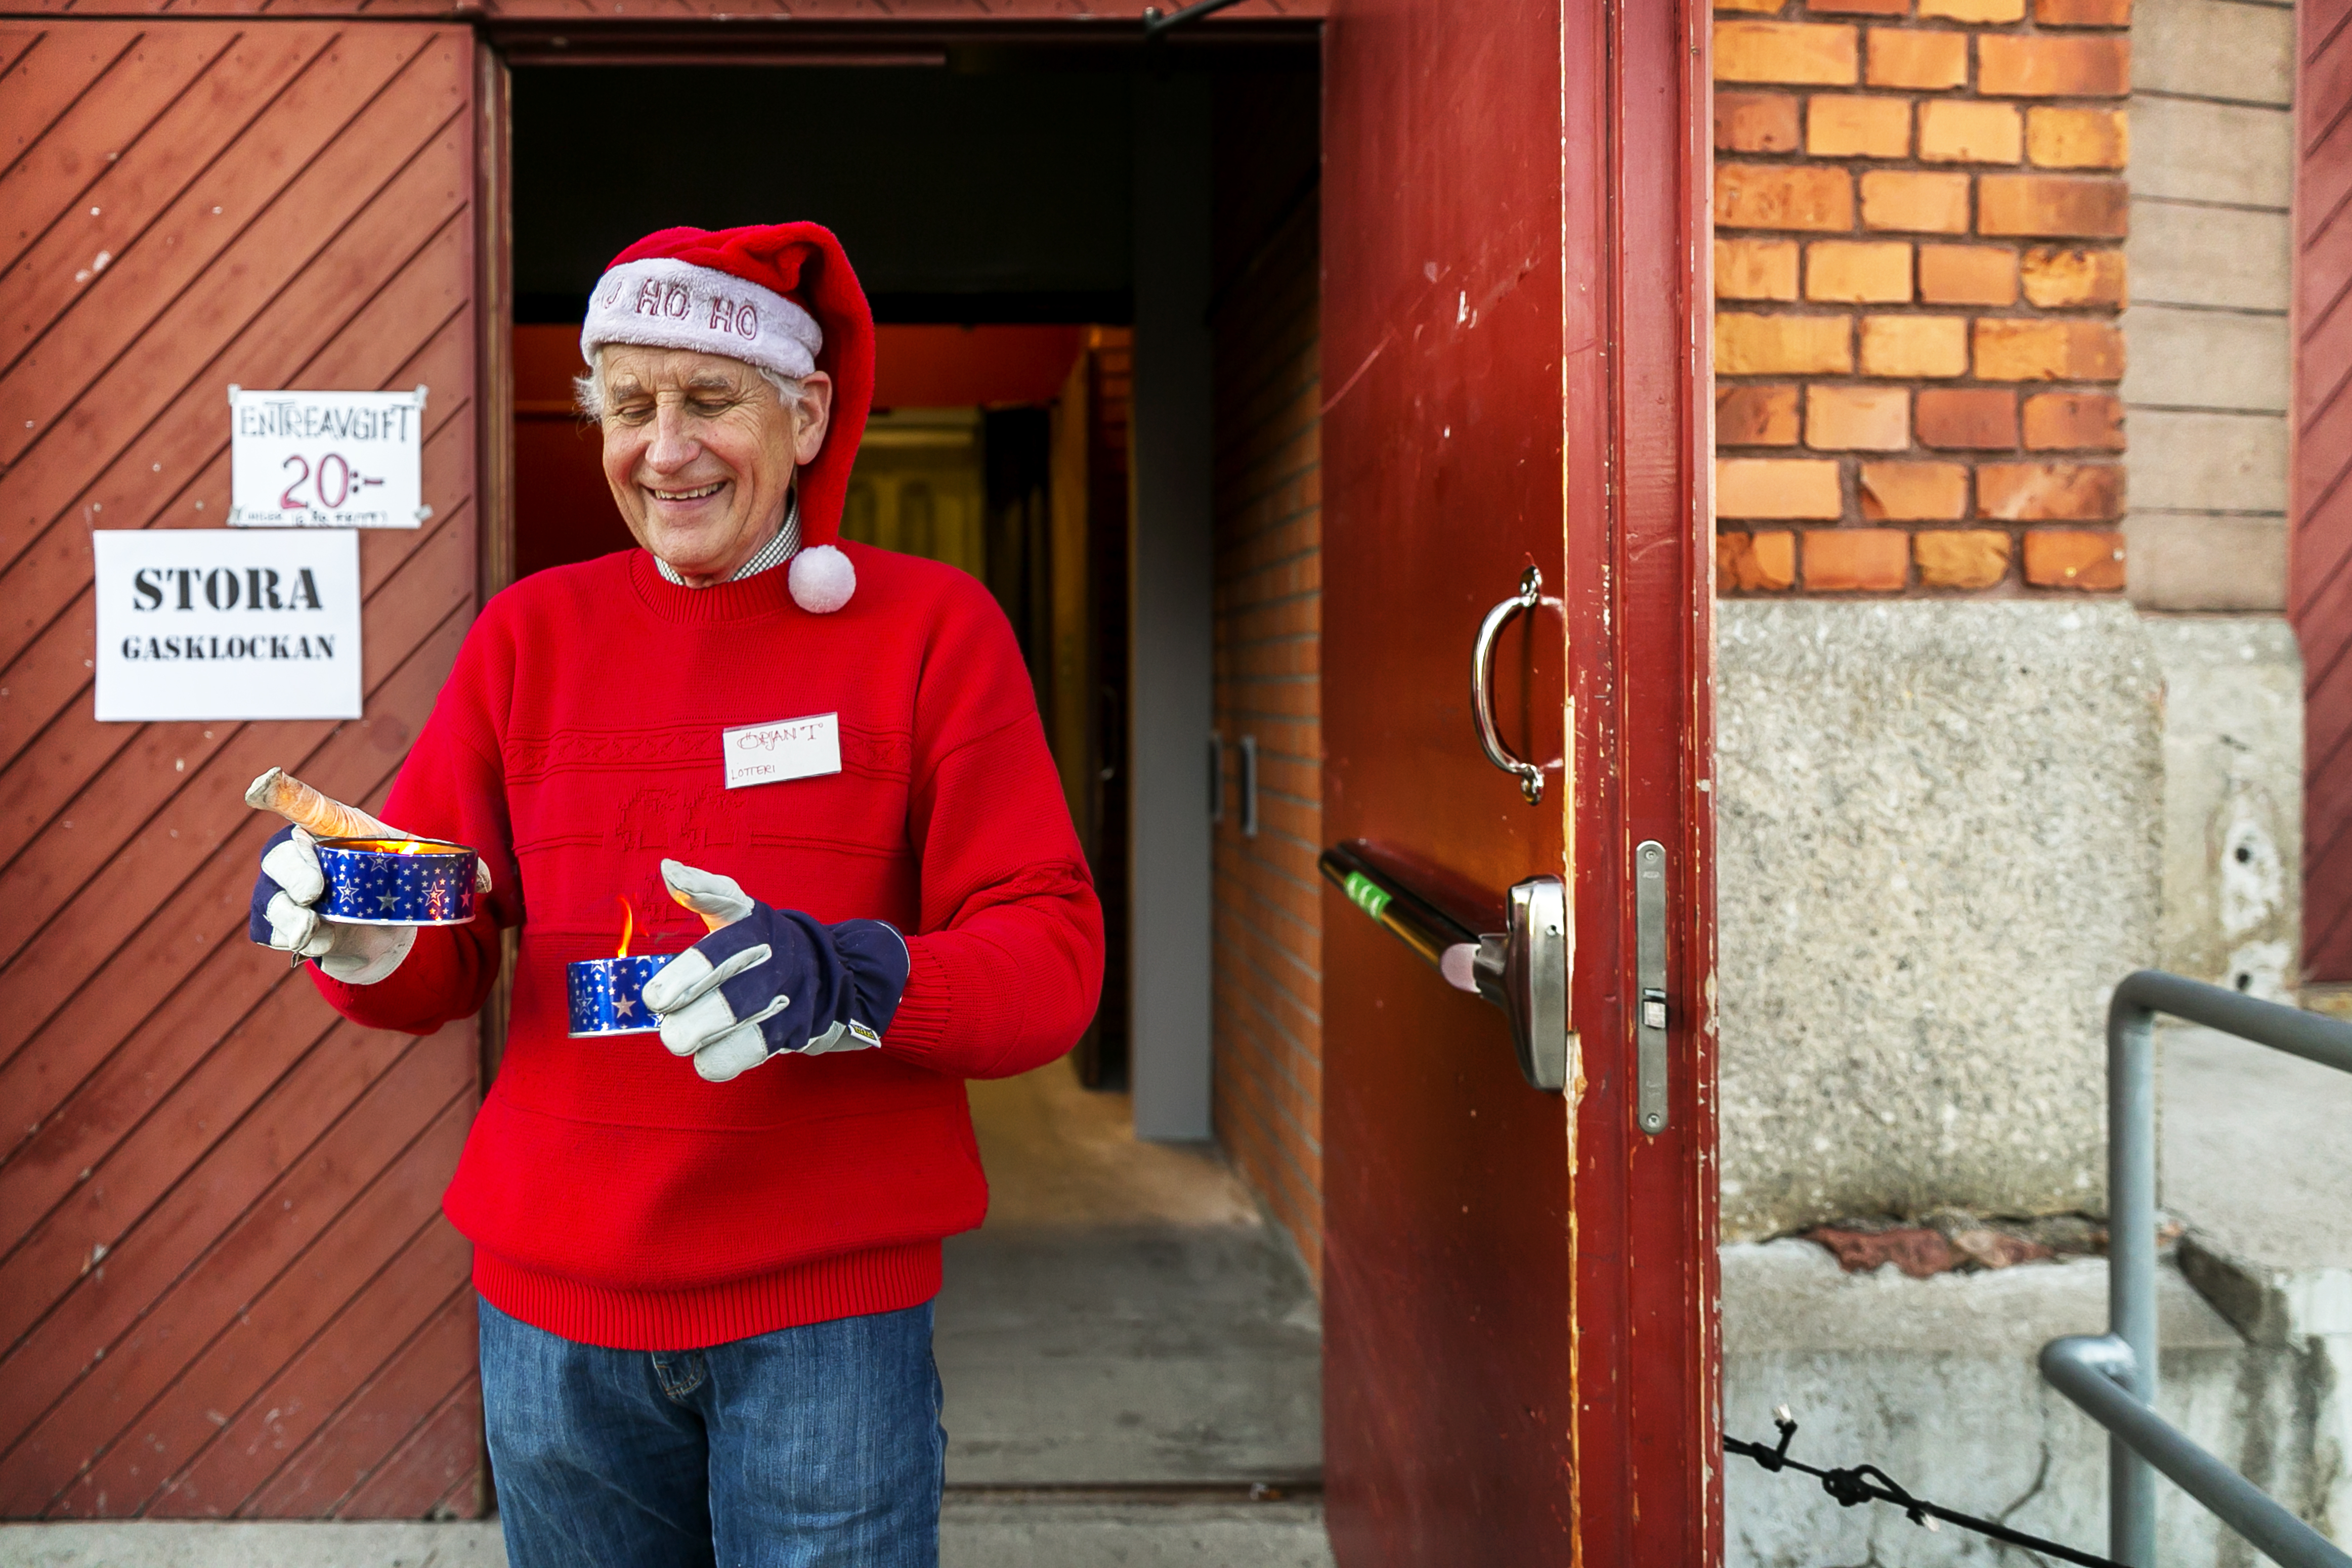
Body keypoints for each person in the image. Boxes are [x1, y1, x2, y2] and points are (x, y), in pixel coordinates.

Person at [247, 222, 1105, 1567]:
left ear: (806, 411)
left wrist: (852, 975)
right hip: (554, 1315)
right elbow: (439, 943)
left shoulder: (932, 631)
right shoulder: (531, 636)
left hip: (827, 1317)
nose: (664, 448)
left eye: (709, 399)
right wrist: (360, 934)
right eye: (629, 405)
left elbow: (1049, 955)